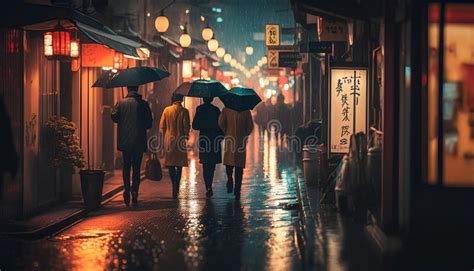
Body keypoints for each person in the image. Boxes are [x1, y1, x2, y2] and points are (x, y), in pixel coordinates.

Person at [111, 86, 152, 207]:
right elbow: (149, 122)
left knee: (126, 166)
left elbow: (114, 116)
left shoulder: (121, 103)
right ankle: (135, 192)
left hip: (125, 141)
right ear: (137, 89)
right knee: (136, 168)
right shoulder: (143, 104)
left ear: (128, 89)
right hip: (138, 141)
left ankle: (127, 190)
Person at [218, 107, 254, 200]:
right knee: (239, 166)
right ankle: (237, 189)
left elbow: (221, 123)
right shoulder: (246, 111)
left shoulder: (226, 109)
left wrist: (226, 131)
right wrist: (244, 134)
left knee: (229, 162)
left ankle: (229, 177)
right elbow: (250, 127)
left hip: (229, 139)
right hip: (240, 141)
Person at [160, 93, 190, 199]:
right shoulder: (185, 111)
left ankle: (173, 185)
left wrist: (164, 137)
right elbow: (187, 126)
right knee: (179, 165)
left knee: (171, 165)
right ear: (181, 100)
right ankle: (177, 185)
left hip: (169, 140)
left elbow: (161, 126)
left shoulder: (166, 110)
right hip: (180, 141)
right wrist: (186, 136)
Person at [192, 97, 223, 197]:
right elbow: (220, 125)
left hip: (204, 139)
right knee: (212, 164)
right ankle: (209, 185)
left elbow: (195, 125)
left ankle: (208, 186)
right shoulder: (216, 110)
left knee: (205, 164)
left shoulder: (200, 109)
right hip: (214, 139)